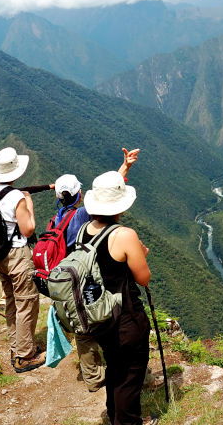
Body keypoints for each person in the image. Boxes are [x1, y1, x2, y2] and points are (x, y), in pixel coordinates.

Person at [50, 148, 140, 392]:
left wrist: (125, 168)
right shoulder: (82, 216)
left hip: (68, 278)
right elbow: (108, 200)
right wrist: (124, 170)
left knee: (82, 330)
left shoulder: (58, 217)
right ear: (79, 195)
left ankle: (92, 377)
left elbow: (105, 195)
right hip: (88, 278)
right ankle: (115, 372)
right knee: (97, 323)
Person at [82, 171, 151, 425]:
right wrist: (142, 254)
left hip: (99, 317)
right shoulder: (124, 235)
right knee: (130, 375)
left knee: (115, 368)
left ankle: (114, 415)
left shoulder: (83, 231)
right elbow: (143, 279)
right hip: (126, 317)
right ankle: (128, 421)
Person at [0, 147, 43, 372]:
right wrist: (29, 203)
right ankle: (25, 356)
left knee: (11, 301)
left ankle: (16, 346)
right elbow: (28, 229)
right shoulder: (16, 197)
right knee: (27, 302)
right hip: (18, 255)